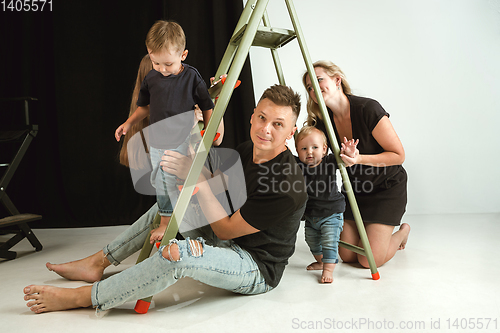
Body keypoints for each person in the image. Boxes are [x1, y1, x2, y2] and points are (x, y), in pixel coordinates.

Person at [24, 84, 308, 314]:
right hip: (230, 241)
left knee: (177, 256)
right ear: (252, 115)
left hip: (254, 265)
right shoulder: (249, 150)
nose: (266, 129)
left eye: (278, 124)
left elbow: (223, 228)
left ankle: (85, 297)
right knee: (170, 204)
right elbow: (219, 190)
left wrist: (196, 178)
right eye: (262, 117)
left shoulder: (286, 185)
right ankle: (97, 262)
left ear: (291, 132)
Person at [114, 21, 221, 246]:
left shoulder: (191, 77)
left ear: (183, 55)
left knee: (164, 176)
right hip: (157, 140)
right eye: (156, 63)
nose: (162, 69)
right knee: (158, 178)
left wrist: (208, 133)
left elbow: (207, 104)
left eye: (168, 64)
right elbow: (144, 107)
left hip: (180, 139)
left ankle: (166, 220)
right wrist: (128, 123)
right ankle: (176, 196)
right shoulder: (152, 78)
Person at [302, 60, 410, 268]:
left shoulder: (368, 108)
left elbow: (398, 155)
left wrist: (359, 159)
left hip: (386, 188)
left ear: (337, 80)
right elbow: (313, 152)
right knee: (347, 254)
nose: (313, 88)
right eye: (309, 87)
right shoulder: (323, 122)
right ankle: (374, 233)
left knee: (368, 259)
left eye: (318, 80)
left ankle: (402, 232)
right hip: (355, 190)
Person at [294, 126, 347, 283]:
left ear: (324, 150)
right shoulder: (298, 165)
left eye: (315, 147)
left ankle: (328, 269)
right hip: (311, 215)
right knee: (311, 240)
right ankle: (321, 261)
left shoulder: (329, 162)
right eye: (304, 148)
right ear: (297, 151)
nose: (309, 152)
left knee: (329, 242)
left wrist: (349, 151)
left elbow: (343, 158)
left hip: (331, 212)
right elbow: (283, 157)